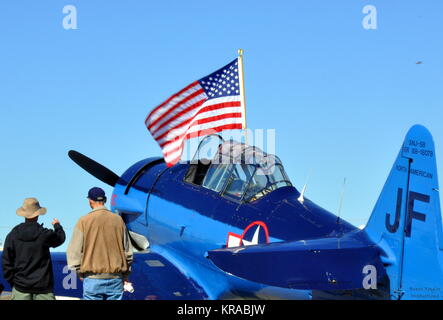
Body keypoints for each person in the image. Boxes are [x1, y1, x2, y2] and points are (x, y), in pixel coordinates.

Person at [67, 187, 133, 300]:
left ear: (90, 201)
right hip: (116, 278)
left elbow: (73, 252)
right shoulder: (118, 220)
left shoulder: (83, 221)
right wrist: (125, 275)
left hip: (92, 278)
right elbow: (128, 252)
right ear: (105, 200)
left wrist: (79, 272)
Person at [2, 198, 65, 300]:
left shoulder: (13, 235)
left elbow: (6, 261)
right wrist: (57, 226)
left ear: (24, 214)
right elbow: (60, 238)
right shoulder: (44, 234)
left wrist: (13, 283)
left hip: (20, 289)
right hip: (43, 289)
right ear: (38, 214)